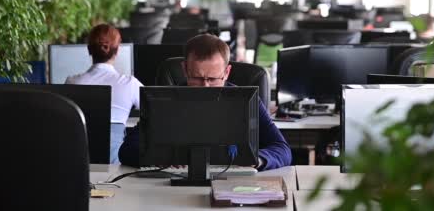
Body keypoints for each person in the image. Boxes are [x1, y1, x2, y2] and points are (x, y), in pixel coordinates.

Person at [118, 34, 292, 170]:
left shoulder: (246, 101)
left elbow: (282, 149)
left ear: (227, 72)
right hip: (176, 182)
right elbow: (127, 149)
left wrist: (257, 160)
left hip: (233, 182)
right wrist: (163, 156)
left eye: (212, 79)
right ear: (185, 69)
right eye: (198, 78)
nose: (205, 86)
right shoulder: (164, 101)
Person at [65, 24, 142, 164]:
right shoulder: (130, 83)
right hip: (116, 172)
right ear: (117, 50)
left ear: (89, 49)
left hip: (78, 168)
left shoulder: (72, 82)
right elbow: (157, 113)